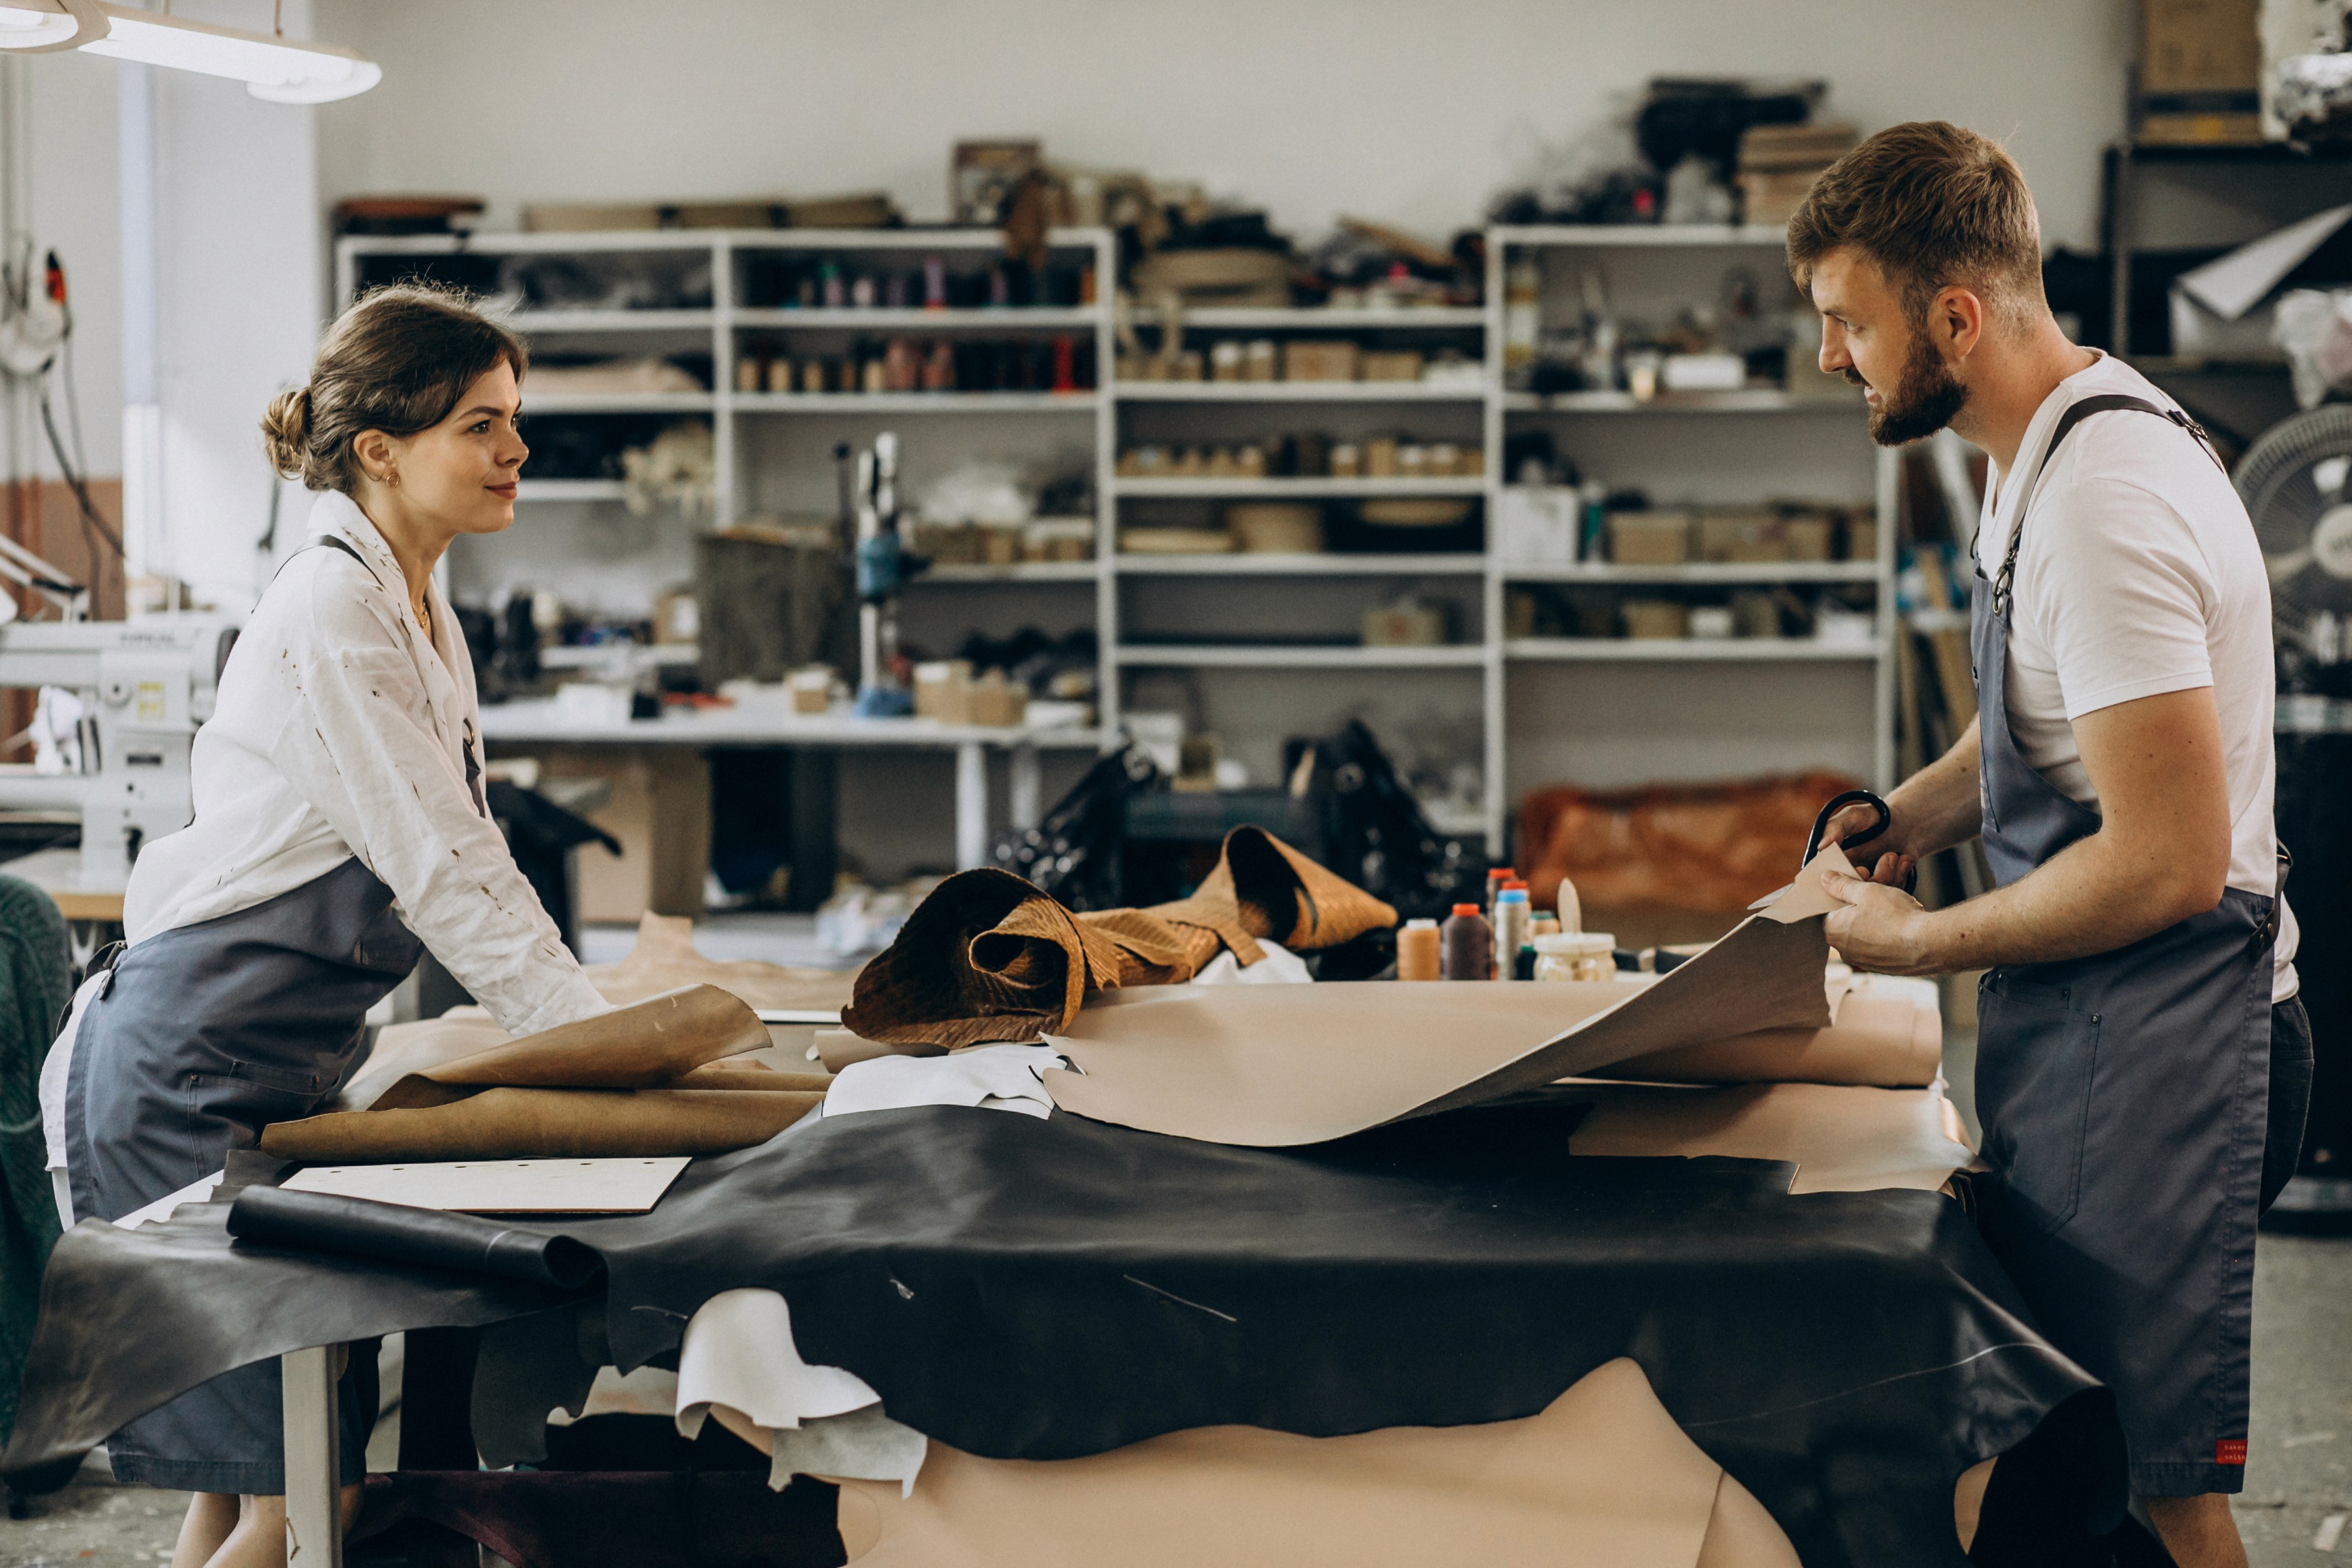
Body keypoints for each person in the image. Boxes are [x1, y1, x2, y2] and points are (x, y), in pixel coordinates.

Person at [1786, 123, 2310, 1567]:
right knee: (2052, 1482)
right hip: (2101, 1032)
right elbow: (2051, 725)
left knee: (2158, 1484)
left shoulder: (2100, 500)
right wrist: (1905, 818)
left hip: (2179, 1050)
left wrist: (1920, 938)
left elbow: (2169, 861)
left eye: (1851, 319)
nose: (1835, 356)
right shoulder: (2040, 452)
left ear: (1955, 316)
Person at [38, 284, 609, 1568]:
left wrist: (598, 1025)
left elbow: (465, 854)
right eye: (482, 424)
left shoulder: (414, 602)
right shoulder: (333, 611)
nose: (518, 450)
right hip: (181, 1076)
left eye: (515, 419)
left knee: (247, 1487)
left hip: (263, 1074)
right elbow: (447, 868)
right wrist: (612, 1044)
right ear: (381, 450)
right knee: (307, 1497)